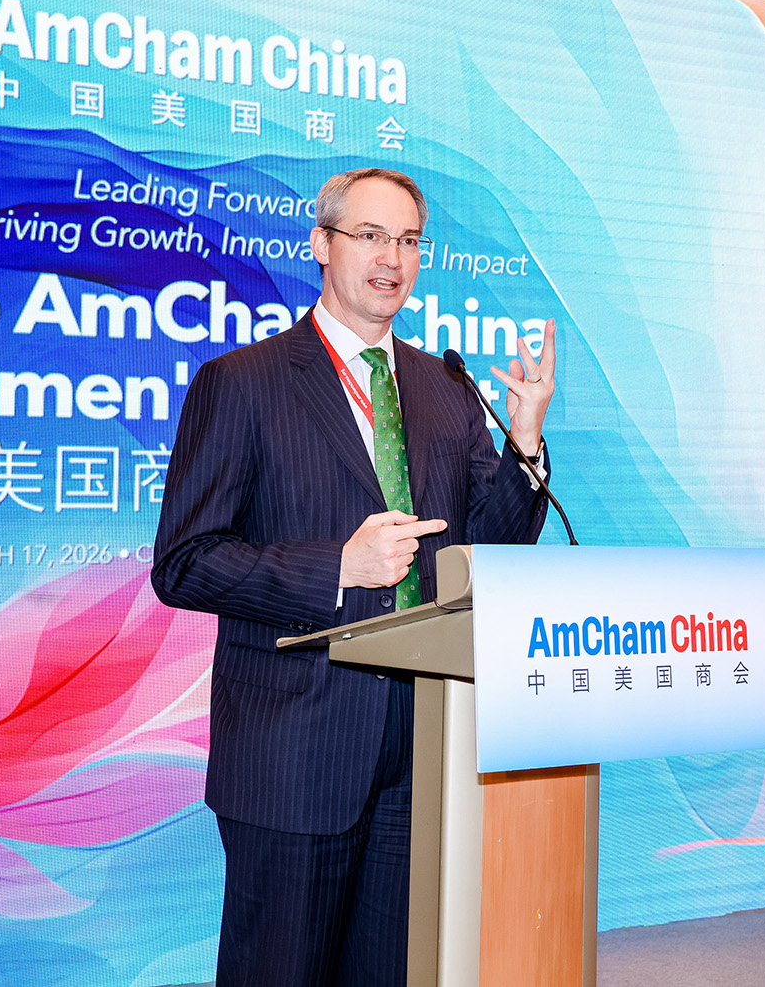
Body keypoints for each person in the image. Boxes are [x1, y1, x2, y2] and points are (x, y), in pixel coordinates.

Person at [151, 167, 555, 987]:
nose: (391, 259)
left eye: (408, 241)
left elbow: (492, 543)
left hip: (421, 751)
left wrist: (524, 443)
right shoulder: (244, 382)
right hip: (295, 752)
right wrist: (338, 567)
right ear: (322, 245)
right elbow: (184, 563)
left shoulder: (444, 389)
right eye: (370, 236)